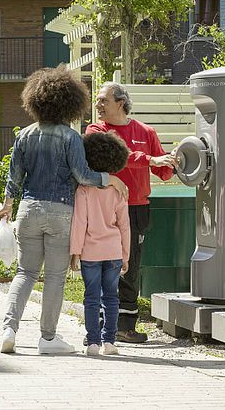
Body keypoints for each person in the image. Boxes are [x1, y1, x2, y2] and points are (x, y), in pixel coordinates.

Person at [0, 66, 128, 354]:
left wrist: (7, 203)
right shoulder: (70, 137)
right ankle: (47, 338)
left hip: (28, 209)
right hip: (60, 212)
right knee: (54, 277)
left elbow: (14, 176)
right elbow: (83, 176)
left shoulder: (25, 135)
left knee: (25, 273)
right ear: (69, 102)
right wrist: (111, 179)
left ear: (36, 101)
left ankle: (9, 329)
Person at [85, 82, 177, 343]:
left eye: (103, 100)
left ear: (121, 103)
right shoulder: (96, 130)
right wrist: (150, 159)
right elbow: (119, 155)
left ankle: (124, 327)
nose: (98, 104)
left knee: (129, 267)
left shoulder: (146, 132)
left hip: (137, 209)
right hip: (103, 207)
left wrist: (174, 160)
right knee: (99, 265)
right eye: (98, 100)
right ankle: (99, 329)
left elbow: (163, 172)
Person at [69, 132, 131, 356]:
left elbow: (79, 223)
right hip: (114, 251)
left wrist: (75, 252)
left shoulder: (84, 190)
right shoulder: (120, 190)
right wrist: (126, 255)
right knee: (111, 297)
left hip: (90, 252)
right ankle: (110, 342)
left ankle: (93, 342)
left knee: (91, 297)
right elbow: (125, 226)